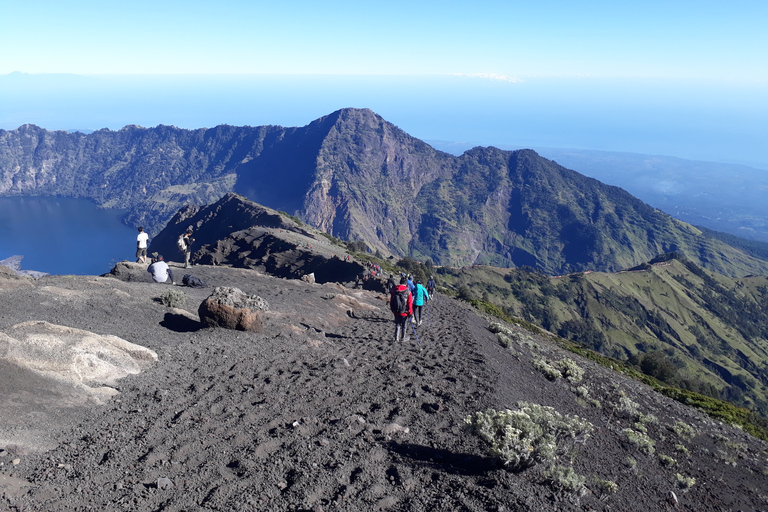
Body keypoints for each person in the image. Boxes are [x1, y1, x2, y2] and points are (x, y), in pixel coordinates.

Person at [389, 276, 413, 342]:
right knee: (404, 325)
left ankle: (396, 338)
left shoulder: (394, 291)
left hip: (396, 310)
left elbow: (391, 301)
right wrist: (410, 312)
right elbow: (410, 303)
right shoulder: (408, 292)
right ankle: (402, 338)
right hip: (404, 312)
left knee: (397, 324)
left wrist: (392, 309)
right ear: (406, 283)